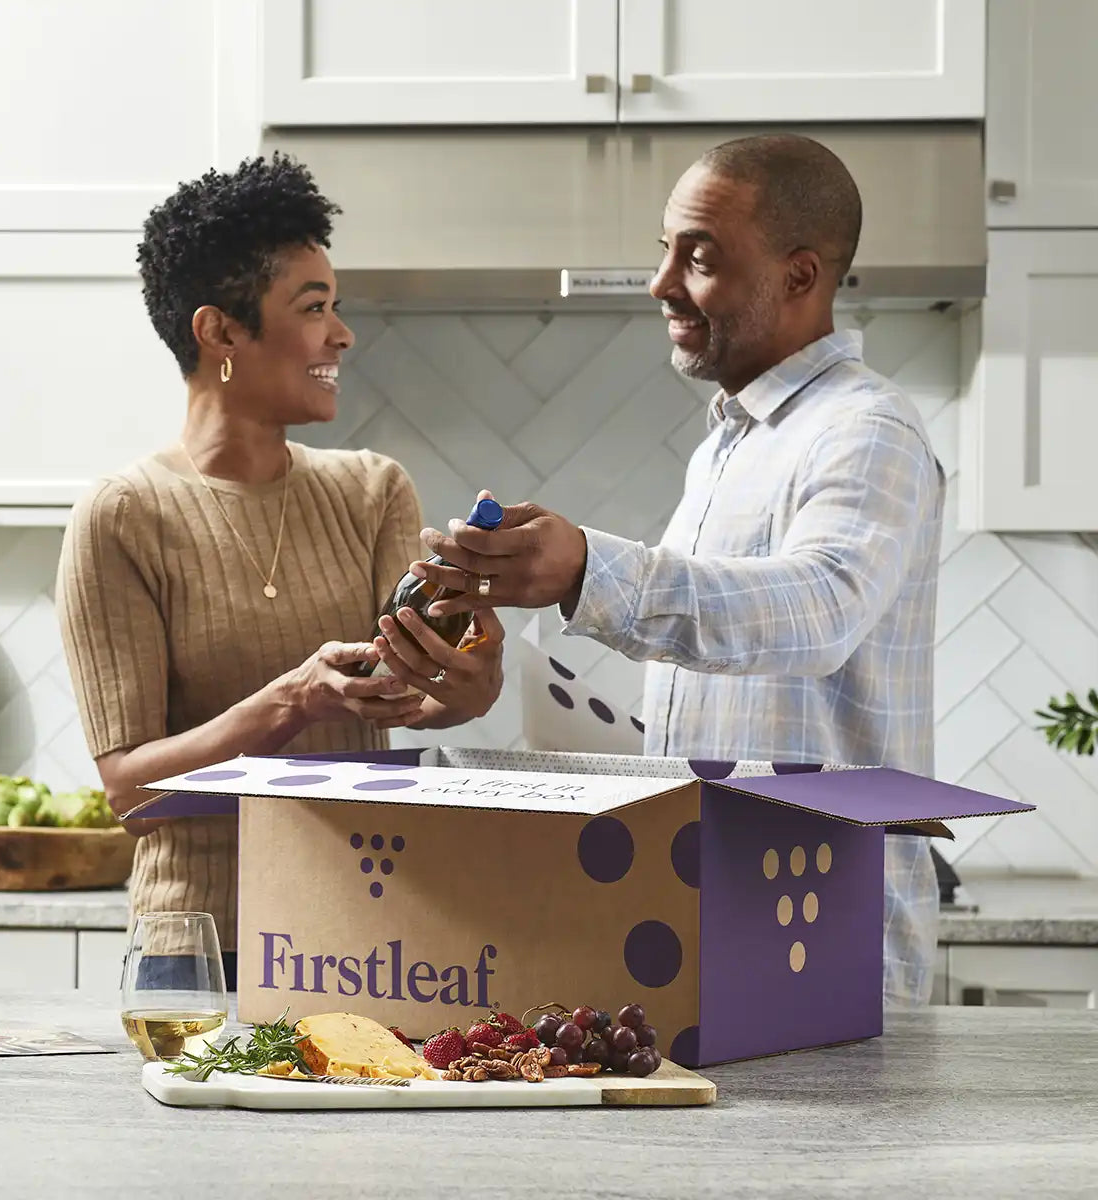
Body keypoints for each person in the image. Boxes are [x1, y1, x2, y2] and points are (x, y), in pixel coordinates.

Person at [411, 134, 945, 1007]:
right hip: (711, 919)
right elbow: (731, 700)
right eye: (663, 251)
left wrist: (587, 568)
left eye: (697, 259)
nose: (661, 284)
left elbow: (823, 610)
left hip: (822, 936)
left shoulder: (866, 429)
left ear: (801, 276)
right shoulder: (728, 447)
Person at [56, 155, 504, 986]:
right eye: (314, 308)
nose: (343, 333)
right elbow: (131, 793)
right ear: (220, 331)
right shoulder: (124, 515)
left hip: (371, 941)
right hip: (199, 954)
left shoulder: (372, 489)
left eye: (336, 305)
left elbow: (431, 699)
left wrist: (467, 670)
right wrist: (296, 699)